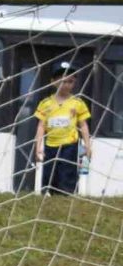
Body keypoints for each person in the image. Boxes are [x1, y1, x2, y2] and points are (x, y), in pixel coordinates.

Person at [33, 68, 92, 196]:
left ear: (74, 83)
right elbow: (41, 126)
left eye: (70, 81)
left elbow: (83, 125)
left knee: (67, 171)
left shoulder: (78, 103)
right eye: (62, 81)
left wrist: (87, 145)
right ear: (53, 82)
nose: (66, 85)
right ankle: (48, 193)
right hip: (50, 144)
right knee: (49, 171)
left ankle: (66, 195)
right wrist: (38, 147)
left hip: (69, 144)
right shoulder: (45, 103)